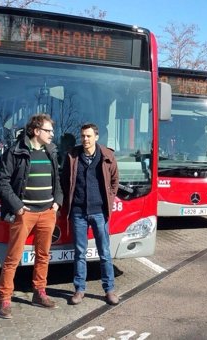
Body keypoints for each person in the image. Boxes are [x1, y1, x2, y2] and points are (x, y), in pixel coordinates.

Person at [0, 113, 63, 319]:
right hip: (24, 214)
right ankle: (5, 299)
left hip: (47, 212)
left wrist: (57, 202)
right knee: (13, 258)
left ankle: (39, 292)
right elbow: (2, 182)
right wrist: (17, 206)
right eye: (48, 131)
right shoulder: (15, 152)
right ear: (36, 131)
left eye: (52, 131)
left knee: (43, 256)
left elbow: (57, 179)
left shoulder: (51, 151)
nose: (52, 134)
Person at [62, 123, 120, 306]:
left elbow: (114, 181)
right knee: (80, 253)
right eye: (83, 136)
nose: (85, 140)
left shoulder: (107, 156)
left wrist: (109, 200)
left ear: (96, 137)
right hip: (78, 213)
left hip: (99, 212)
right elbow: (65, 181)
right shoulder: (72, 156)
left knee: (104, 253)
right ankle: (79, 290)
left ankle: (109, 289)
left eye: (88, 136)